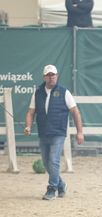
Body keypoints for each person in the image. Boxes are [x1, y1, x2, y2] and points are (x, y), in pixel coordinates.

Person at [24, 65, 84, 200]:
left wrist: (79, 132)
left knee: (53, 160)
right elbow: (31, 112)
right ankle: (61, 185)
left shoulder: (64, 92)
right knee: (46, 163)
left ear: (57, 76)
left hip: (58, 133)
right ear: (44, 77)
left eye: (53, 75)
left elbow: (75, 111)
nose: (51, 77)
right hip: (43, 132)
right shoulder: (37, 92)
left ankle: (52, 189)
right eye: (48, 75)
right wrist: (28, 126)